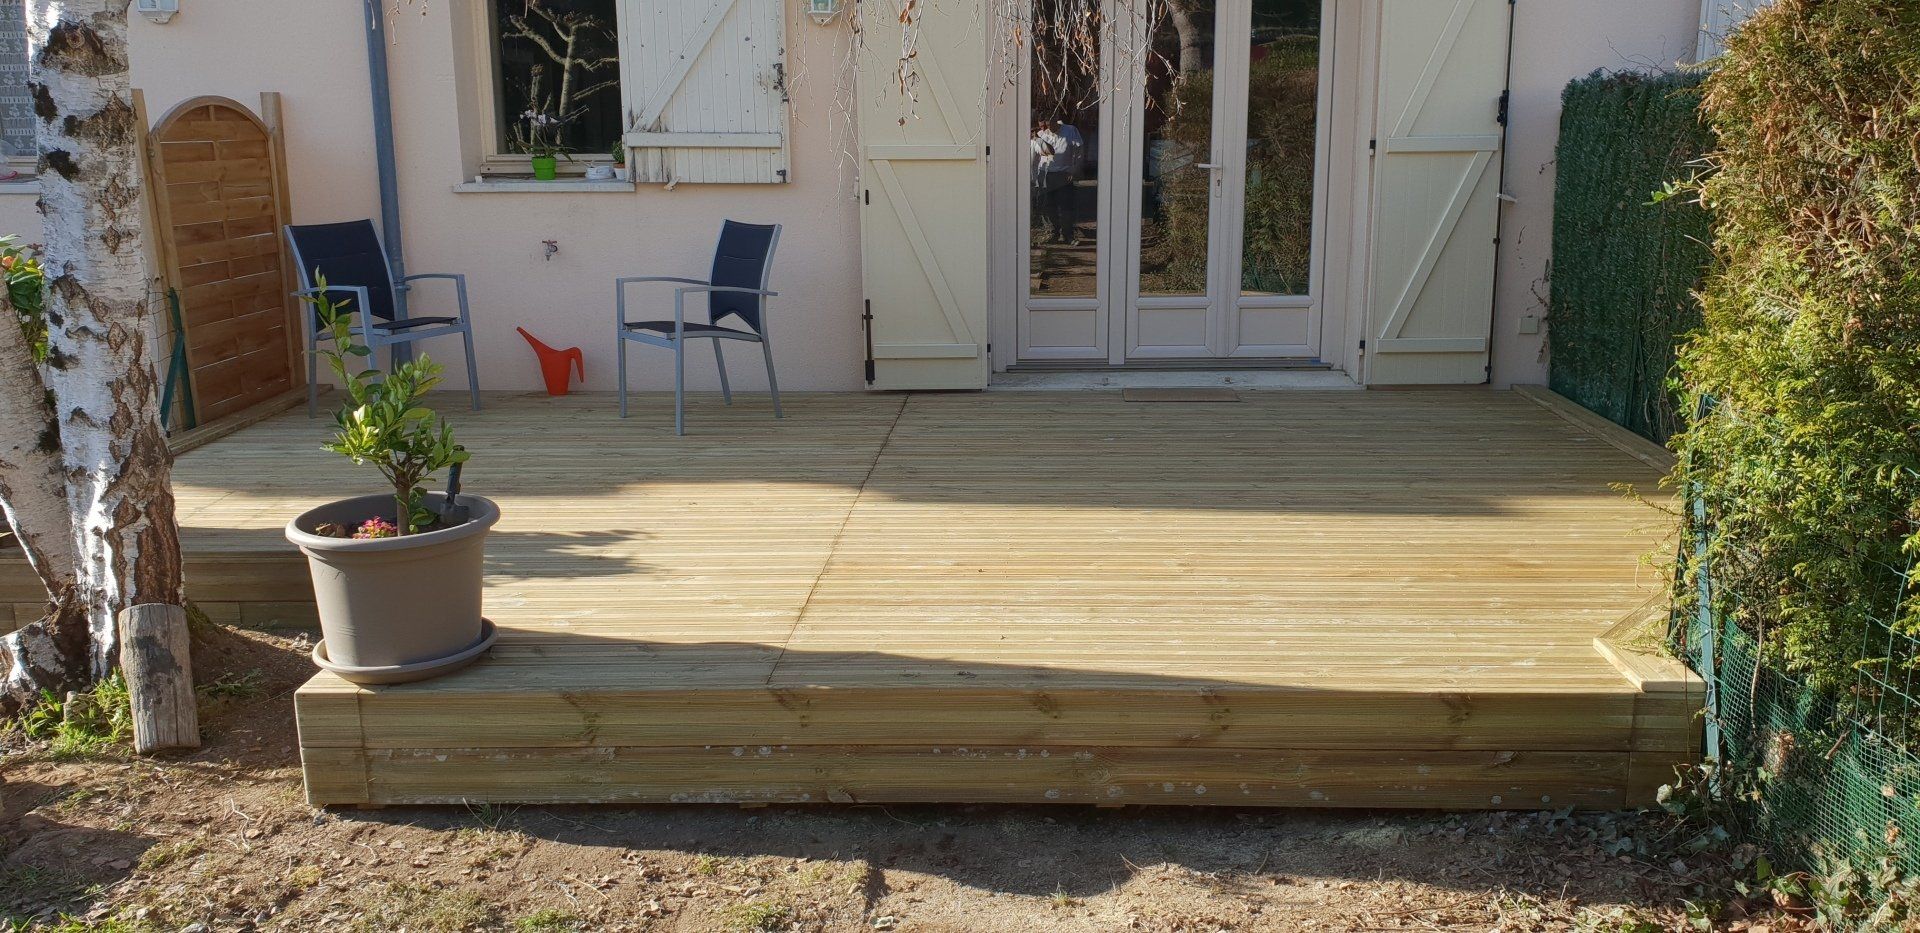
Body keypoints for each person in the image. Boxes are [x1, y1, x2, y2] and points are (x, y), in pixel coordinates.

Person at [1031, 118, 1085, 244]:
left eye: (1049, 125)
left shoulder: (1070, 130)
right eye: (1043, 127)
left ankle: (1068, 235)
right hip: (1046, 175)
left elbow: (1080, 151)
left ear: (1057, 120)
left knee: (1066, 207)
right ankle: (1053, 234)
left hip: (1064, 174)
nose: (1047, 129)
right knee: (1049, 208)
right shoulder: (1040, 133)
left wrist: (1074, 169)